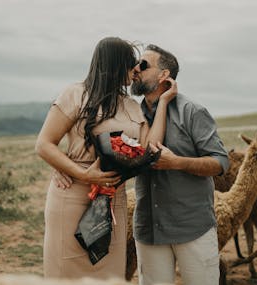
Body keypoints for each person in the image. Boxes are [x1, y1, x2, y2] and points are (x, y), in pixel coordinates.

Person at [35, 37, 177, 279]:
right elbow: (44, 145)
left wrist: (163, 103)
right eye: (131, 63)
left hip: (114, 200)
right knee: (66, 272)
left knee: (110, 275)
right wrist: (82, 173)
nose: (135, 70)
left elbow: (150, 147)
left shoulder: (131, 106)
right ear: (114, 64)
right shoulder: (75, 94)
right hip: (72, 195)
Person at [130, 44, 229, 285]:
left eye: (143, 65)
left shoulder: (192, 112)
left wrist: (177, 163)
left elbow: (220, 162)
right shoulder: (131, 114)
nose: (136, 70)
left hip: (192, 227)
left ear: (164, 75)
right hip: (149, 227)